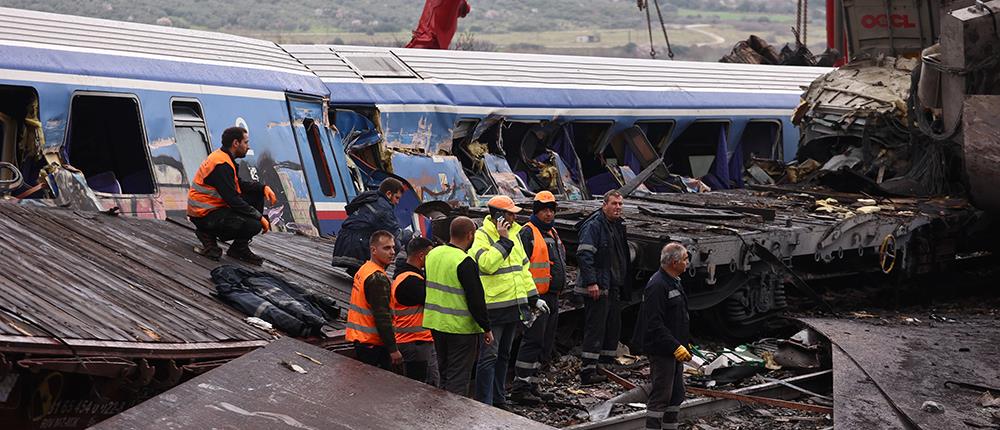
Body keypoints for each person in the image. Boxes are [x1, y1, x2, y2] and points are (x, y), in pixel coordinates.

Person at [469, 195, 539, 409]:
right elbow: (486, 265)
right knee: (489, 357)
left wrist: (532, 295)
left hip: (513, 306)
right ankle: (485, 403)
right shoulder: (482, 236)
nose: (514, 217)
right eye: (510, 213)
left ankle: (499, 400)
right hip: (494, 308)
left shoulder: (516, 234)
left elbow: (522, 268)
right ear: (499, 215)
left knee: (504, 356)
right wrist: (503, 241)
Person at [423, 216, 493, 397]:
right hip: (460, 329)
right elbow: (476, 299)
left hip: (436, 324)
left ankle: (440, 414)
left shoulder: (433, 254)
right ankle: (453, 418)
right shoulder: (465, 262)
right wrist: (486, 328)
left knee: (444, 372)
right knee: (458, 378)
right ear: (470, 235)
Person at [188, 126, 276, 265]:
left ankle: (238, 248)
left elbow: (237, 185)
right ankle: (206, 234)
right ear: (236, 143)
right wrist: (260, 218)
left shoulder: (224, 157)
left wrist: (263, 188)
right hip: (204, 214)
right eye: (246, 142)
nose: (248, 147)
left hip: (213, 208)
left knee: (257, 195)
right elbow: (233, 200)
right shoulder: (221, 165)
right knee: (253, 225)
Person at [510, 191, 565, 405]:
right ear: (536, 211)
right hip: (534, 298)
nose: (548, 213)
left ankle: (532, 384)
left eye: (551, 210)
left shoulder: (551, 232)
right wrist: (530, 297)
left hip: (550, 297)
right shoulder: (528, 233)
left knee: (543, 342)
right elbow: (520, 267)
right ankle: (520, 387)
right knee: (532, 340)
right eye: (544, 210)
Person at [631, 243, 692, 430]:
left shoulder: (674, 281)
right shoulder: (657, 285)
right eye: (684, 259)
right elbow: (654, 324)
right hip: (662, 349)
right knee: (661, 395)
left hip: (674, 348)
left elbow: (678, 317)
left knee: (676, 394)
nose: (687, 263)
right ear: (674, 262)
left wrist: (683, 343)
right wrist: (674, 346)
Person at [575, 189, 628, 385]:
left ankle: (605, 367)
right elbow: (584, 255)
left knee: (612, 326)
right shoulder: (594, 225)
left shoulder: (616, 225)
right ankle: (587, 372)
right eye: (614, 204)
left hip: (612, 285)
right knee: (595, 328)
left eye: (620, 204)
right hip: (598, 286)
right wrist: (591, 282)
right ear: (604, 204)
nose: (618, 207)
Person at [345, 230, 403, 372]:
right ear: (373, 250)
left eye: (393, 247)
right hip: (373, 345)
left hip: (362, 340)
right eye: (386, 248)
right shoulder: (377, 278)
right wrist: (393, 349)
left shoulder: (364, 270)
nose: (392, 252)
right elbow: (382, 317)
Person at [390, 236, 440, 385]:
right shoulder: (411, 282)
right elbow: (434, 300)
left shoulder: (403, 277)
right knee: (427, 386)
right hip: (416, 343)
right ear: (422, 256)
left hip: (412, 341)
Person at [331, 178, 405, 274]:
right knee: (394, 243)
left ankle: (356, 269)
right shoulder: (384, 207)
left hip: (342, 243)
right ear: (389, 194)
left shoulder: (369, 197)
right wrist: (412, 237)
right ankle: (374, 273)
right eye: (397, 198)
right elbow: (396, 233)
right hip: (356, 245)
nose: (397, 202)